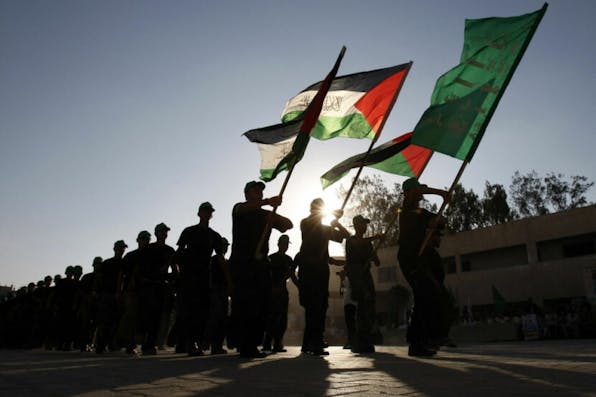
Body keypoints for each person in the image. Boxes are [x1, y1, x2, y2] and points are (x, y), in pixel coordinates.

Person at [230, 181, 292, 358]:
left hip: (260, 264)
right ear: (247, 193)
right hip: (243, 262)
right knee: (244, 303)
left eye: (260, 190)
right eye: (255, 189)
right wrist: (267, 202)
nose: (258, 191)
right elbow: (243, 209)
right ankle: (243, 343)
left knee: (261, 305)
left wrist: (276, 218)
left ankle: (252, 343)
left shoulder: (266, 214)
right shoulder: (240, 208)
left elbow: (289, 225)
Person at [397, 177, 450, 357]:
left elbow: (440, 221)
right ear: (409, 193)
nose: (421, 195)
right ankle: (417, 343)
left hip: (421, 257)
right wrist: (440, 193)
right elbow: (422, 217)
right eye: (418, 191)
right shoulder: (405, 211)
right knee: (424, 295)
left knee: (430, 296)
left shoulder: (420, 211)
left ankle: (425, 339)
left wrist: (438, 221)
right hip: (409, 258)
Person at [296, 198, 349, 356]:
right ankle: (315, 342)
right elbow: (314, 226)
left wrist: (337, 222)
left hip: (320, 270)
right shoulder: (306, 223)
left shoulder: (325, 229)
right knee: (314, 307)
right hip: (309, 269)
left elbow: (344, 236)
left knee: (319, 307)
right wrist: (332, 217)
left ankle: (309, 343)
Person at [174, 202, 223, 356]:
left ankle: (196, 342)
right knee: (187, 310)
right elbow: (179, 252)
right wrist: (177, 272)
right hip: (188, 276)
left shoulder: (214, 236)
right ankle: (187, 343)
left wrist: (230, 280)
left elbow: (220, 257)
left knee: (203, 311)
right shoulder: (189, 231)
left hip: (204, 277)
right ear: (199, 213)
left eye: (209, 212)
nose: (207, 214)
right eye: (205, 211)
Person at [345, 215, 383, 354]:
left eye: (366, 224)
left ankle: (366, 339)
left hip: (366, 276)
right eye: (362, 224)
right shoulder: (351, 241)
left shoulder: (368, 243)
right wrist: (376, 237)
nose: (365, 227)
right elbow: (357, 244)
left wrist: (375, 253)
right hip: (356, 275)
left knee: (369, 306)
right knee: (362, 306)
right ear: (356, 225)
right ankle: (359, 341)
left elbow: (377, 262)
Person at [137, 223, 175, 355]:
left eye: (165, 232)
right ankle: (142, 341)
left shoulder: (170, 251)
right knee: (146, 315)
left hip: (160, 286)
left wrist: (171, 280)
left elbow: (175, 269)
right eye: (161, 231)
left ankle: (150, 344)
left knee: (158, 316)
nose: (164, 234)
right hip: (147, 285)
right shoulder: (148, 249)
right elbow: (140, 268)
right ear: (156, 233)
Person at [118, 230, 152, 354]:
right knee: (131, 317)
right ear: (138, 240)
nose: (145, 241)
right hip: (132, 291)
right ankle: (129, 343)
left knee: (143, 318)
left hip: (147, 291)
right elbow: (121, 275)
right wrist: (120, 290)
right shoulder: (131, 256)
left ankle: (140, 343)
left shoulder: (151, 256)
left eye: (147, 239)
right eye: (143, 239)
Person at [262, 234, 298, 353]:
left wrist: (300, 286)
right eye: (284, 243)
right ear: (279, 244)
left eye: (287, 244)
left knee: (280, 318)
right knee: (272, 317)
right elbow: (267, 275)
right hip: (273, 291)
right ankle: (269, 342)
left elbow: (292, 275)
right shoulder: (271, 258)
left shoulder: (287, 259)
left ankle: (276, 343)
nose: (285, 246)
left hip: (280, 291)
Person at [94, 240, 127, 353]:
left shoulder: (124, 262)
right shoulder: (107, 263)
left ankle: (112, 344)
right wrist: (98, 292)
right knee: (105, 321)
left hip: (118, 295)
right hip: (107, 294)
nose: (121, 250)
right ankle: (100, 345)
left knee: (116, 321)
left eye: (123, 248)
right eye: (119, 248)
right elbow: (99, 278)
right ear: (114, 249)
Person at [208, 237, 232, 355]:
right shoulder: (215, 259)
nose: (225, 248)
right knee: (217, 318)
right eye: (223, 245)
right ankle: (214, 345)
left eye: (226, 245)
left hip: (222, 292)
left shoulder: (223, 260)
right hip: (216, 291)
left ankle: (217, 345)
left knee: (221, 318)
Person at [337, 270, 356, 350]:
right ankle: (351, 341)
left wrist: (341, 280)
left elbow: (341, 292)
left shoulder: (346, 281)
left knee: (350, 324)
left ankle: (351, 342)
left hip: (348, 303)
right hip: (353, 303)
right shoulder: (354, 280)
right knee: (352, 324)